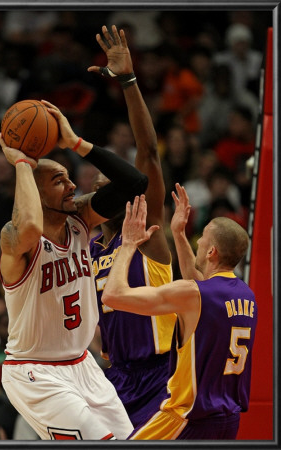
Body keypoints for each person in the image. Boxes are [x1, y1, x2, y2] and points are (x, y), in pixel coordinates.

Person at [0, 26, 149, 439]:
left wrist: (76, 142)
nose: (72, 186)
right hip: (35, 373)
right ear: (36, 189)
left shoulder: (80, 220)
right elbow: (29, 223)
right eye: (60, 181)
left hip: (82, 365)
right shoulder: (16, 239)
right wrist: (24, 164)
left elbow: (135, 182)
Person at [102, 188, 257, 440]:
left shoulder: (192, 294)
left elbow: (113, 296)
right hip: (227, 419)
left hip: (186, 417)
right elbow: (198, 284)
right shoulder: (245, 294)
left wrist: (128, 245)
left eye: (204, 237)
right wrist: (178, 233)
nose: (199, 241)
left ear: (211, 252)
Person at [88, 25, 175, 428]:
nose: (105, 184)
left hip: (161, 376)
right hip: (115, 377)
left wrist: (128, 81)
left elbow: (149, 152)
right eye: (101, 183)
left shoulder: (149, 234)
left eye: (116, 182)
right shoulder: (89, 251)